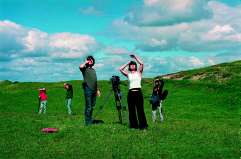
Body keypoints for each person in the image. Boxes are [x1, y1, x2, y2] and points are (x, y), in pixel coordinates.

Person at [119, 54, 148, 130]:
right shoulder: (128, 74)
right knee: (131, 110)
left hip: (138, 92)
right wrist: (128, 63)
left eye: (133, 65)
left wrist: (135, 58)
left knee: (140, 110)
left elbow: (142, 64)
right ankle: (133, 126)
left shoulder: (139, 73)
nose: (132, 66)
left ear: (135, 66)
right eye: (131, 65)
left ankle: (143, 126)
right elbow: (120, 69)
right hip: (130, 93)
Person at [79, 56, 100, 125]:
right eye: (89, 60)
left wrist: (97, 90)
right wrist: (86, 62)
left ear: (93, 61)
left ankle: (90, 119)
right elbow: (80, 66)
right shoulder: (84, 69)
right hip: (88, 89)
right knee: (89, 106)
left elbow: (95, 80)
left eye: (91, 60)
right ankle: (87, 122)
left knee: (92, 105)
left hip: (94, 90)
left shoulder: (93, 70)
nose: (90, 61)